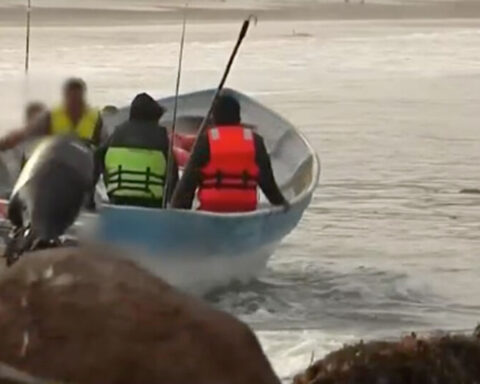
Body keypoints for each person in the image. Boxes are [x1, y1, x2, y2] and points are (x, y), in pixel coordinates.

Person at [171, 93, 289, 213]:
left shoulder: (206, 141)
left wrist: (177, 212)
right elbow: (268, 183)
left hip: (211, 208)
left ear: (214, 118)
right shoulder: (255, 141)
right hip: (246, 208)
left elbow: (187, 185)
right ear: (239, 118)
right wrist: (282, 203)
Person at [96, 93, 178, 208]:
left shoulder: (116, 134)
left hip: (118, 198)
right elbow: (173, 174)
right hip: (152, 203)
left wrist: (91, 198)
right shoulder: (162, 138)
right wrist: (170, 201)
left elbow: (96, 159)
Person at [0, 77, 105, 151]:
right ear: (65, 98)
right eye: (71, 99)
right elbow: (24, 133)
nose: (74, 103)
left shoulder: (95, 118)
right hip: (55, 167)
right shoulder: (50, 116)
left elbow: (105, 145)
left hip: (83, 168)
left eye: (78, 100)